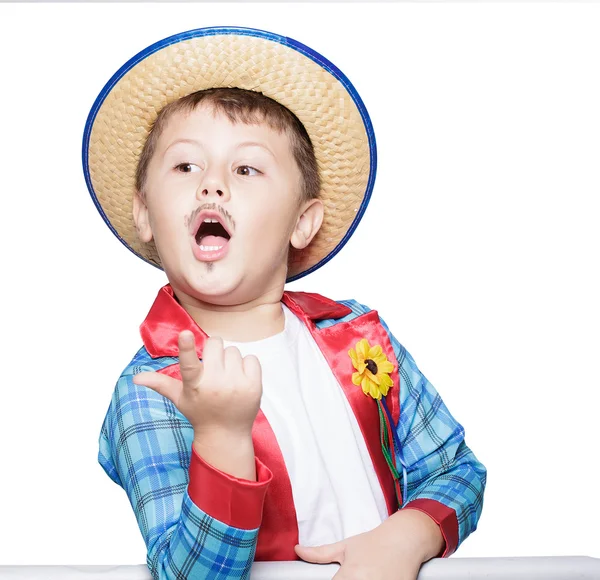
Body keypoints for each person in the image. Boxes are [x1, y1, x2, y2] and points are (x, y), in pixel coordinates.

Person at [84, 26, 487, 580]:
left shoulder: (360, 339)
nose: (212, 186)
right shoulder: (154, 389)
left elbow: (456, 471)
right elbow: (189, 576)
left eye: (246, 169)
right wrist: (222, 438)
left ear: (303, 222)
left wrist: (406, 537)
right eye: (185, 167)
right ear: (146, 214)